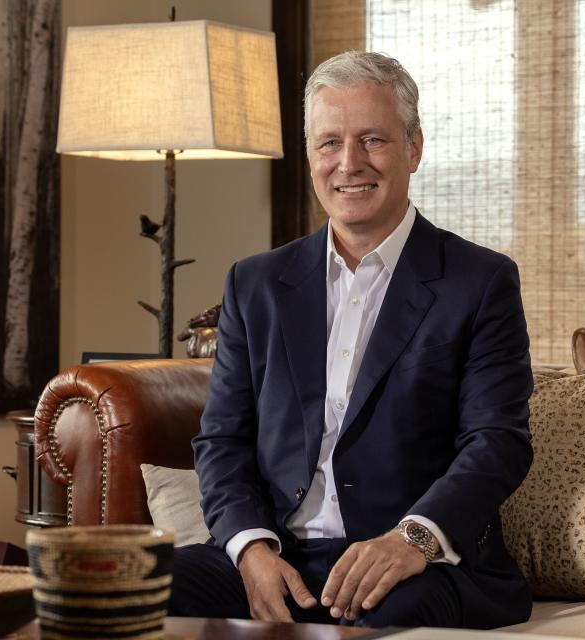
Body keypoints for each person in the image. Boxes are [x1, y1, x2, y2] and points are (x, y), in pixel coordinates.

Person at [169, 51, 534, 630]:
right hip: (280, 556)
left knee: (389, 618)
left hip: (413, 563)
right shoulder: (255, 283)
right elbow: (222, 440)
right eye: (329, 143)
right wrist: (250, 549)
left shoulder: (479, 281)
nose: (349, 163)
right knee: (126, 586)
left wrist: (411, 540)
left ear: (414, 148)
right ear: (311, 155)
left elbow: (497, 443)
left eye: (372, 140)